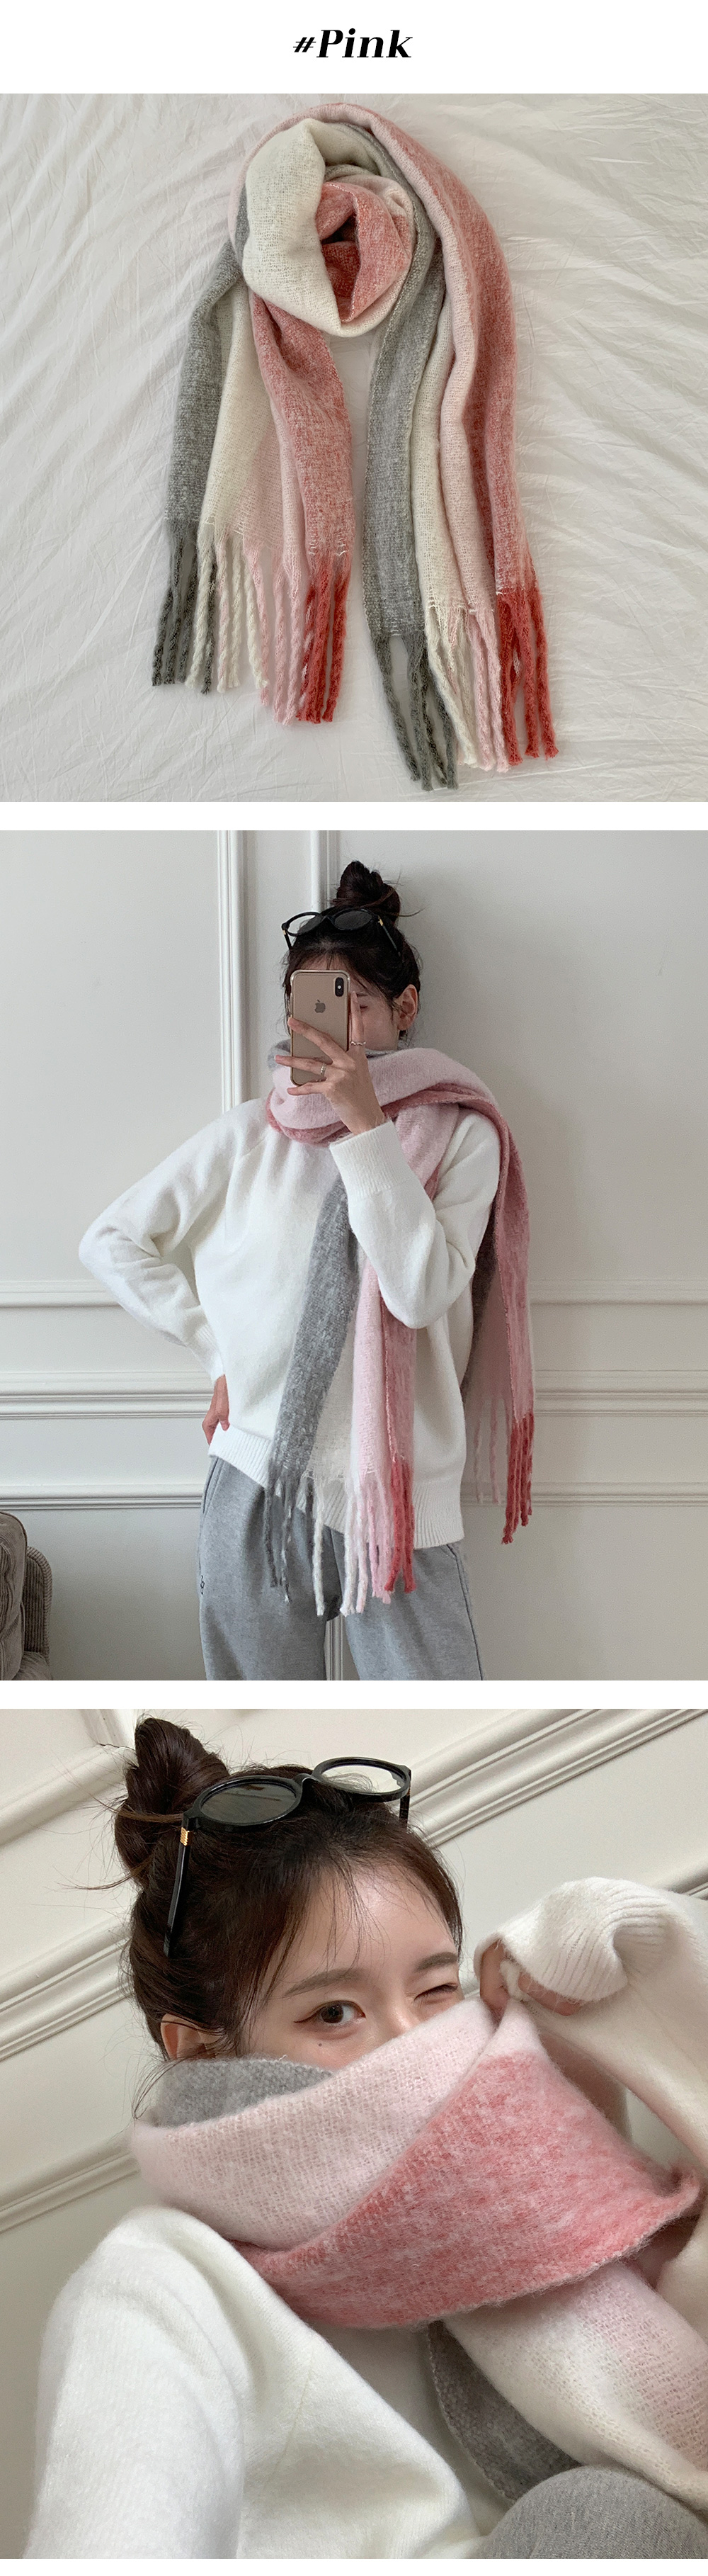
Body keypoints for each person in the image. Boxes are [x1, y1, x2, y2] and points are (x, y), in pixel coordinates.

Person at [25, 1721, 708, 2559]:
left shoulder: (537, 2152)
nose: (414, 2045)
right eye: (334, 2013)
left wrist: (631, 1938)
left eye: (435, 1990)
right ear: (203, 2052)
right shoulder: (160, 2284)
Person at [79, 862, 533, 1683]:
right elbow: (111, 1241)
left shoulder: (461, 1136)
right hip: (258, 1474)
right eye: (315, 1004)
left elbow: (420, 1293)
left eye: (356, 1003)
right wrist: (217, 1352)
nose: (335, 1028)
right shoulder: (252, 1135)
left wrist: (366, 1129)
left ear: (405, 1007)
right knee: (260, 1722)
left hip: (395, 1497)